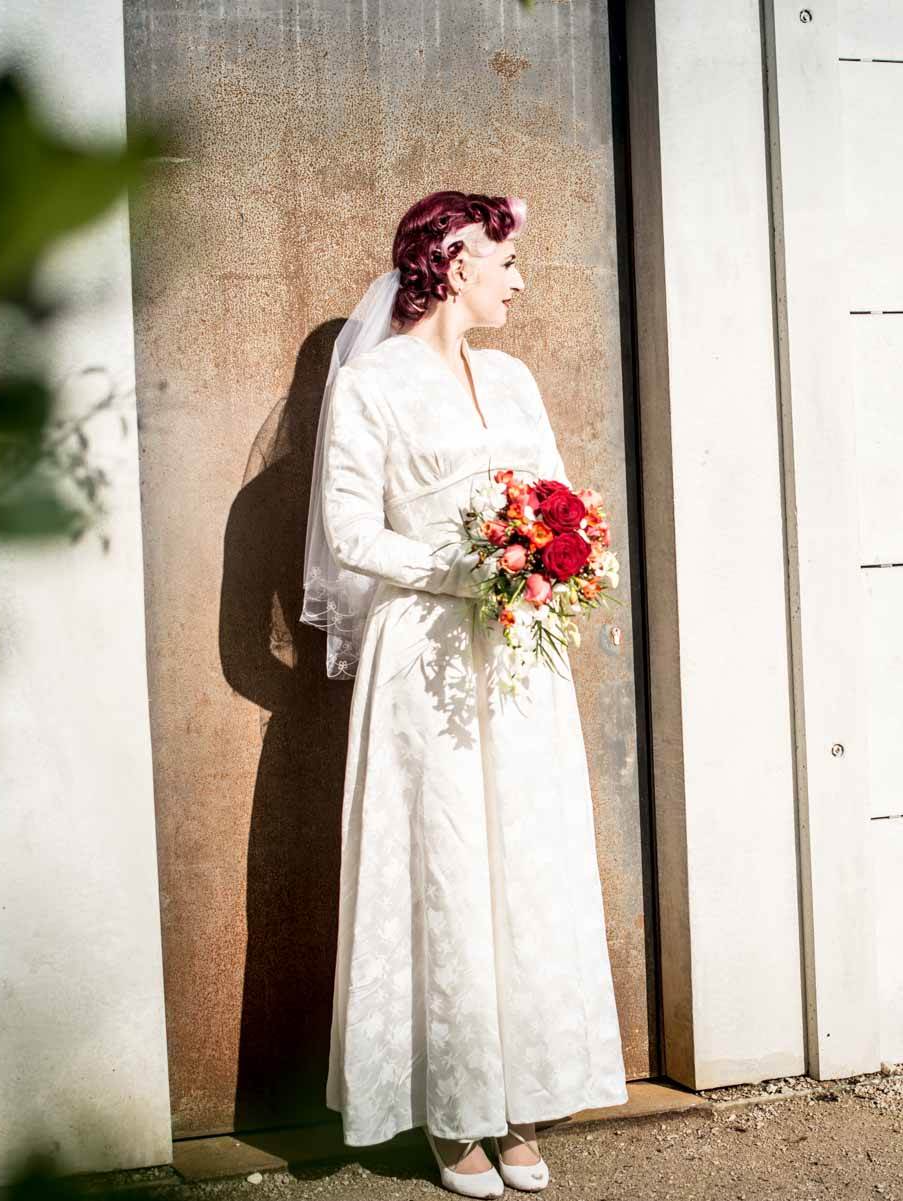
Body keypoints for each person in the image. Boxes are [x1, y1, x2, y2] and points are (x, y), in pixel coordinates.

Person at [300, 191, 628, 1195]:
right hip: (428, 655)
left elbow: (556, 494)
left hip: (520, 653)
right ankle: (454, 1116)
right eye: (507, 263)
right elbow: (351, 533)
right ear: (451, 261)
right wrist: (469, 567)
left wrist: (559, 555)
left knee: (524, 859)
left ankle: (522, 1094)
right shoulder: (371, 385)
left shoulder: (515, 378)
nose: (521, 282)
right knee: (445, 858)